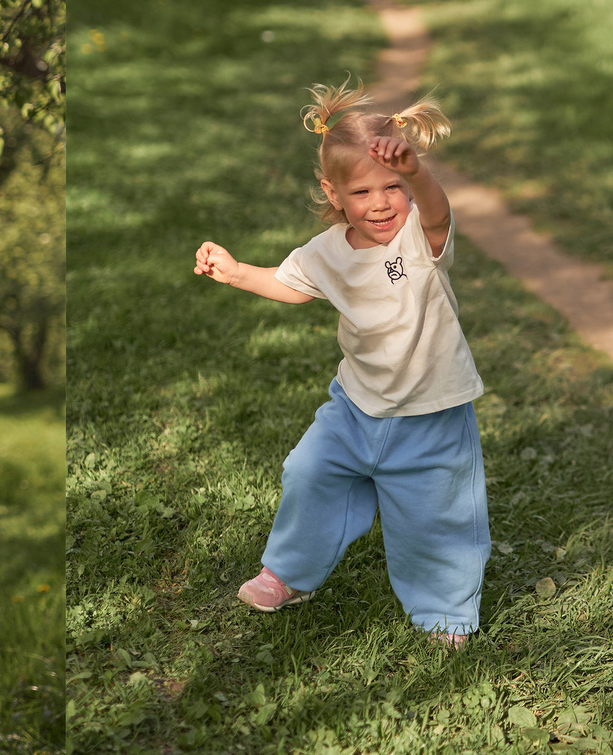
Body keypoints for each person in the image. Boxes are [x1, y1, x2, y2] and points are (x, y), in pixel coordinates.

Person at [194, 81, 489, 645]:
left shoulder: (417, 239)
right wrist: (235, 272)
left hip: (431, 414)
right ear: (333, 193)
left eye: (393, 186)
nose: (381, 203)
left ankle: (447, 612)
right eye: (362, 192)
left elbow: (437, 210)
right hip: (354, 407)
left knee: (438, 514)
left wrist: (421, 177)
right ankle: (289, 573)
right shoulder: (326, 250)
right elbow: (291, 284)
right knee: (309, 474)